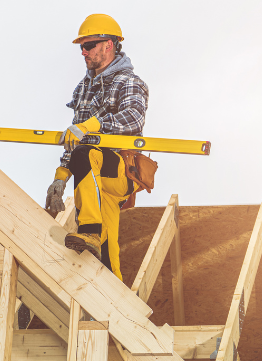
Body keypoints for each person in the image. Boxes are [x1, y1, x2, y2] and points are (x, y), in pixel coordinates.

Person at [45, 14, 149, 281]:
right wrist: (61, 177)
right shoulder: (84, 88)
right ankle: (118, 306)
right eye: (82, 46)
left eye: (89, 45)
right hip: (91, 179)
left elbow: (133, 119)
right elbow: (74, 137)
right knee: (104, 253)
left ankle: (89, 228)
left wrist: (92, 125)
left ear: (109, 45)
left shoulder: (129, 82)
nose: (84, 51)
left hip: (119, 172)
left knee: (86, 152)